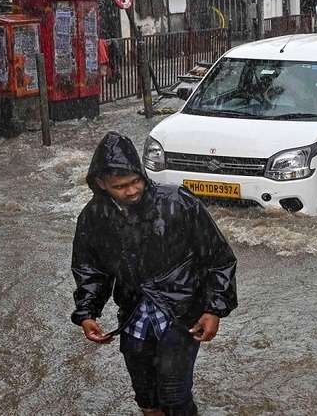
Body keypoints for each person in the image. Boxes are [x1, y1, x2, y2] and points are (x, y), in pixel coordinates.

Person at [71, 132, 238, 416]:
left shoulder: (177, 201)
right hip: (134, 314)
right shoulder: (94, 216)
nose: (132, 190)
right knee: (146, 397)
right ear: (101, 184)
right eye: (120, 186)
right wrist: (87, 313)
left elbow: (218, 258)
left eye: (136, 180)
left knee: (175, 396)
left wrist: (214, 310)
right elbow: (90, 268)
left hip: (181, 312)